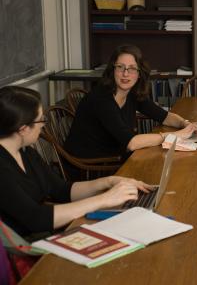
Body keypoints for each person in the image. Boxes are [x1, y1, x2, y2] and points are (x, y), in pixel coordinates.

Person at [0, 86, 152, 238]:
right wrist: (105, 199)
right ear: (23, 129)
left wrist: (108, 182)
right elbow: (37, 219)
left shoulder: (25, 151)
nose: (43, 124)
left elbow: (62, 190)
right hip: (22, 249)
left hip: (42, 233)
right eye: (41, 120)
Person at [65, 44, 197, 163]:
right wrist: (176, 135)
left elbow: (165, 116)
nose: (125, 74)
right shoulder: (101, 99)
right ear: (112, 70)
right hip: (91, 166)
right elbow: (131, 143)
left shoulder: (132, 93)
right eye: (120, 67)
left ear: (139, 74)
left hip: (114, 155)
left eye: (132, 68)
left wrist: (186, 125)